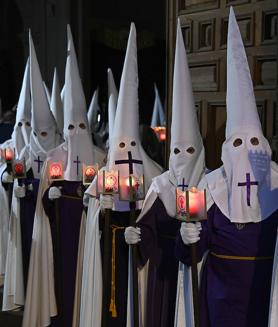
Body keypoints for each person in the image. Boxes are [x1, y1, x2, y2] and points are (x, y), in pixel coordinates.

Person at [175, 7, 278, 327]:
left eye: (253, 143)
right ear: (223, 150)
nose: (246, 153)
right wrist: (187, 237)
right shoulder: (211, 186)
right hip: (220, 293)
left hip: (268, 290)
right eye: (237, 144)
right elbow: (188, 252)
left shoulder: (276, 183)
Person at [79, 23, 163, 327]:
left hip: (140, 262)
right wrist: (100, 215)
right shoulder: (104, 175)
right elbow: (91, 217)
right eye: (120, 144)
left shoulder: (156, 175)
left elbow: (162, 217)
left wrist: (141, 235)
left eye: (131, 145)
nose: (126, 152)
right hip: (108, 257)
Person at [124, 20, 206, 327]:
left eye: (190, 151)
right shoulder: (159, 184)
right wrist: (137, 236)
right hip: (163, 270)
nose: (183, 159)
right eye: (176, 151)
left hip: (197, 271)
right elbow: (147, 230)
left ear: (201, 151)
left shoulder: (213, 184)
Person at [22, 25, 105, 327]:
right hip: (60, 234)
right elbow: (43, 209)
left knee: (85, 277)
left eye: (80, 127)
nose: (76, 134)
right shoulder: (54, 157)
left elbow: (106, 195)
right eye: (70, 128)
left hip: (86, 230)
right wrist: (48, 196)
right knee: (62, 277)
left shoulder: (100, 158)